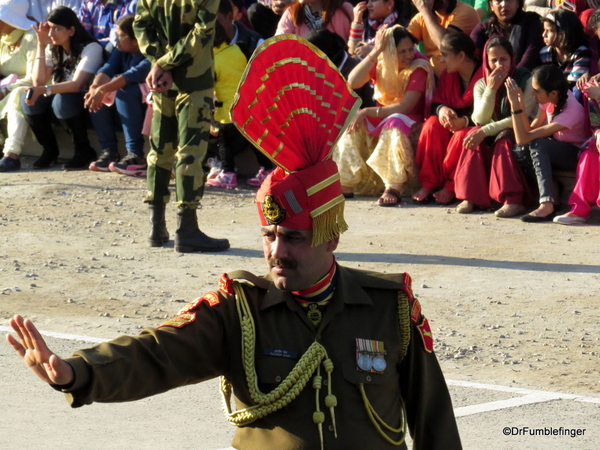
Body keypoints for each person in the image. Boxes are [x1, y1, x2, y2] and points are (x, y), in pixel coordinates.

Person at [7, 36, 462, 450]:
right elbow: (156, 353)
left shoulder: (391, 309)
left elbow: (435, 423)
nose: (277, 252)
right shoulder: (240, 311)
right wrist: (77, 373)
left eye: (294, 239)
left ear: (332, 236)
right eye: (270, 236)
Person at [133, 0, 230, 253]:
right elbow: (201, 32)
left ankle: (157, 228)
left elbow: (141, 25)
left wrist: (159, 63)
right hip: (194, 79)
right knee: (190, 153)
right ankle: (186, 230)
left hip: (161, 79)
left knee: (159, 151)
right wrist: (167, 63)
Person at [334, 25, 435, 206]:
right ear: (389, 52)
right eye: (401, 51)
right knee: (351, 118)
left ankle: (393, 185)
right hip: (384, 116)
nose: (408, 55)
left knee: (393, 121)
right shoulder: (383, 63)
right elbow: (353, 82)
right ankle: (346, 182)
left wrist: (367, 111)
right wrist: (376, 51)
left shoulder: (418, 67)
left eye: (410, 49)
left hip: (410, 121)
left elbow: (405, 107)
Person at [452, 36, 536, 217]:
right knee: (473, 133)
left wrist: (485, 131)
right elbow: (480, 119)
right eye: (493, 60)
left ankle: (513, 200)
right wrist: (491, 89)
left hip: (520, 130)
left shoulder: (524, 80)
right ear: (486, 62)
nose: (499, 65)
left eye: (503, 59)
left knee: (504, 137)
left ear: (512, 59)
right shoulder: (482, 83)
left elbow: (521, 117)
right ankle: (471, 197)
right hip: (491, 130)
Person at [22, 6, 104, 170]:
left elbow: (76, 85)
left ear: (71, 30)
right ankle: (50, 150)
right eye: (50, 28)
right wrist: (41, 44)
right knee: (28, 99)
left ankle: (84, 150)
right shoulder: (54, 47)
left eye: (57, 29)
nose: (51, 34)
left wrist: (43, 90)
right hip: (63, 99)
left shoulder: (91, 48)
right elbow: (38, 81)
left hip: (85, 101)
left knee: (61, 100)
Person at [506, 64, 587, 221]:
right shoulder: (549, 99)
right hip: (557, 151)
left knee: (538, 144)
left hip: (575, 155)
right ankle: (553, 189)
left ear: (553, 93)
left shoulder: (572, 112)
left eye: (537, 91)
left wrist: (516, 107)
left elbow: (523, 137)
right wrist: (520, 106)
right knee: (520, 150)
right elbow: (529, 130)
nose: (533, 95)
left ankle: (546, 203)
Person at [412, 32, 484, 205]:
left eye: (444, 55)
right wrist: (442, 109)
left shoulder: (484, 75)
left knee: (462, 136)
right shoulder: (448, 74)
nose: (441, 60)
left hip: (477, 125)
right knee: (431, 125)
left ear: (460, 56)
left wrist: (464, 122)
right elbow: (437, 102)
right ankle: (429, 182)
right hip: (453, 122)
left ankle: (452, 185)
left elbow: (488, 111)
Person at [85, 14, 150, 176]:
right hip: (128, 103)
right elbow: (108, 68)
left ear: (136, 40)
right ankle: (109, 152)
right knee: (94, 94)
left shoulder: (151, 51)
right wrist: (95, 88)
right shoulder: (121, 50)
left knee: (124, 92)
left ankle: (136, 155)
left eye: (121, 36)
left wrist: (102, 90)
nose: (116, 39)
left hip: (146, 102)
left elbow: (133, 74)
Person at [553, 79, 600, 224]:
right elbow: (595, 122)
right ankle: (579, 210)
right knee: (590, 150)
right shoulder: (595, 86)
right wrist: (598, 133)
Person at [0, 0, 37, 172]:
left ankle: (12, 154)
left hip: (32, 88)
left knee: (17, 96)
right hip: (4, 88)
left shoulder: (31, 36)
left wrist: (5, 89)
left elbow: (34, 78)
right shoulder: (3, 39)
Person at [407, 0, 480, 76]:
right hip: (432, 76)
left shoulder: (465, 11)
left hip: (459, 76)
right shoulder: (421, 17)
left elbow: (444, 44)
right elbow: (401, 43)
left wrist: (426, 12)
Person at [471, 0, 544, 71]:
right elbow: (471, 57)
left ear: (518, 3)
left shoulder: (531, 22)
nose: (504, 4)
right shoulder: (484, 29)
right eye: (498, 0)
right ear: (491, 5)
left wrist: (514, 78)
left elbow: (531, 57)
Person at [540, 9, 590, 102]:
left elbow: (573, 84)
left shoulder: (580, 53)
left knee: (577, 91)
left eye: (549, 31)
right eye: (544, 30)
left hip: (570, 98)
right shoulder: (545, 53)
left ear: (563, 32)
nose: (544, 35)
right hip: (552, 97)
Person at [275, 0, 354, 41]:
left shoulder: (345, 10)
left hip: (341, 69)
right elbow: (279, 47)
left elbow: (357, 48)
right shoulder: (291, 13)